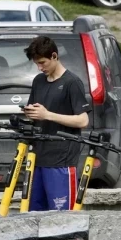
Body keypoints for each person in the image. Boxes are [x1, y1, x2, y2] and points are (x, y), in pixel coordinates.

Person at [23, 36, 91, 211]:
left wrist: (47, 115)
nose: (40, 67)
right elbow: (38, 114)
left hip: (61, 161)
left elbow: (83, 120)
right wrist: (31, 114)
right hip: (37, 159)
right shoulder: (38, 81)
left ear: (54, 56)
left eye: (43, 62)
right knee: (34, 216)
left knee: (62, 218)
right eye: (37, 64)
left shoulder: (71, 82)